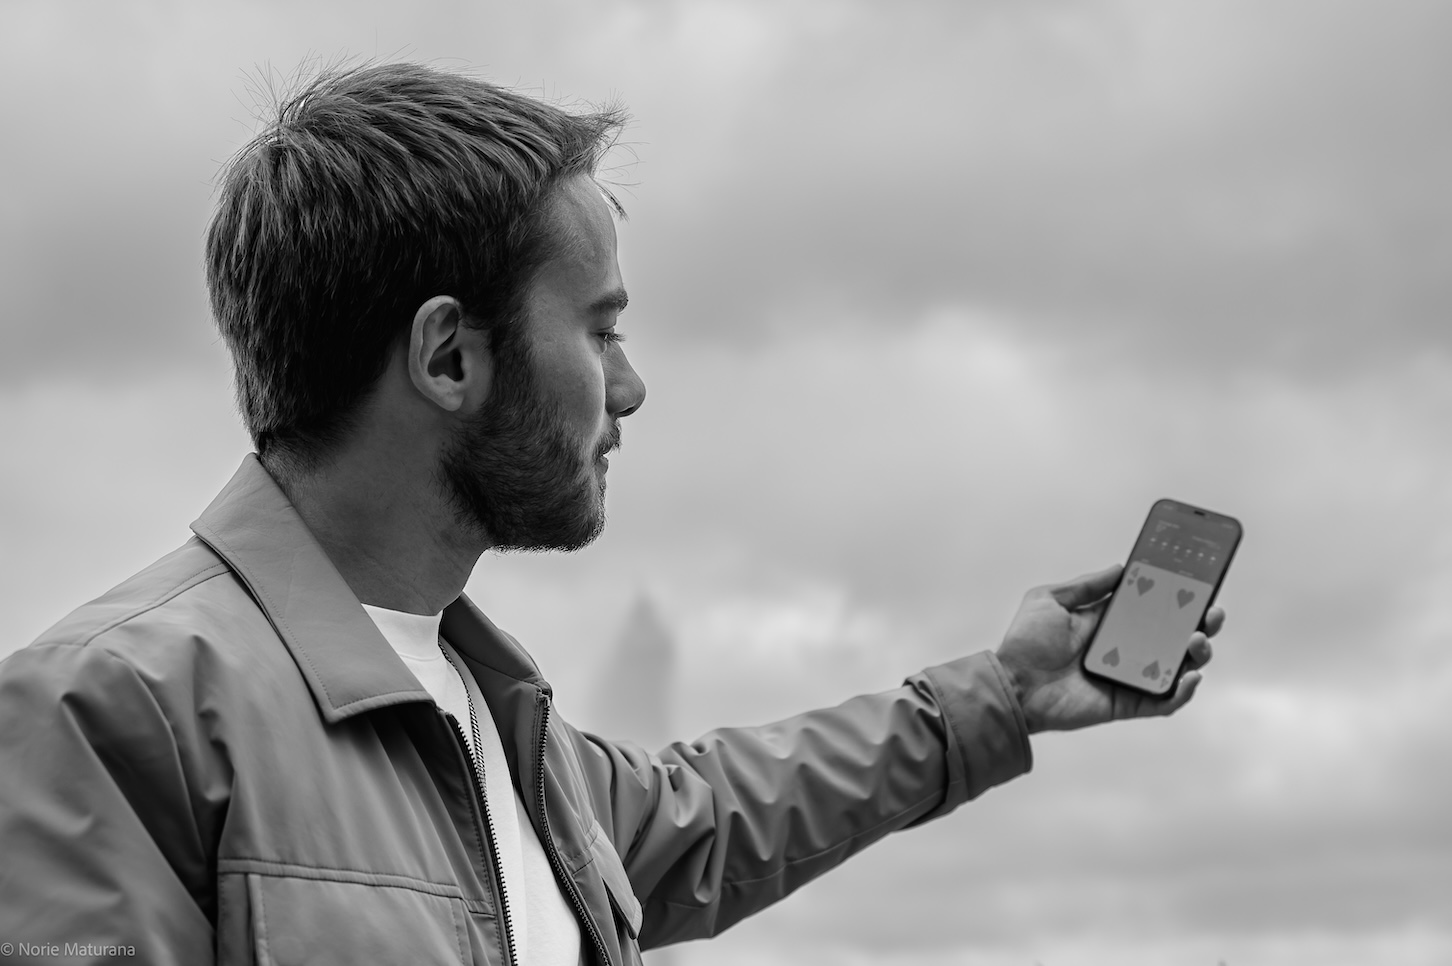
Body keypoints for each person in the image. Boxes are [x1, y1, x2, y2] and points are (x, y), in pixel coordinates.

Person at [0, 63, 1222, 966]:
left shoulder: (497, 730)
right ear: (448, 357)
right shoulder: (108, 709)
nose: (629, 388)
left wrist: (1003, 698)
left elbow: (721, 807)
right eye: (599, 328)